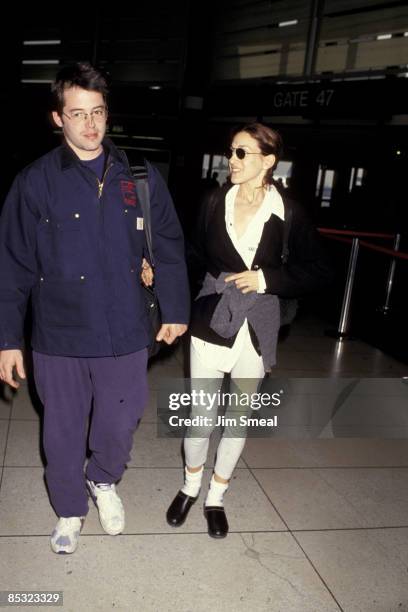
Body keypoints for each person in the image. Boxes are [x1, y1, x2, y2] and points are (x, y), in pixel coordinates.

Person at [0, 62, 190, 554]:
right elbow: (13, 265)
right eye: (78, 113)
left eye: (98, 112)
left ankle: (103, 480)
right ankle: (69, 510)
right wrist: (7, 339)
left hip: (125, 329)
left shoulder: (140, 175)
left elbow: (167, 243)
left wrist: (174, 307)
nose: (90, 124)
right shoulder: (34, 182)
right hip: (58, 335)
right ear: (57, 118)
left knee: (119, 423)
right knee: (61, 430)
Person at [165, 122, 332, 538]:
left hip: (258, 325)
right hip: (212, 317)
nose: (231, 160)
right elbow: (190, 256)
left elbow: (320, 270)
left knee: (237, 421)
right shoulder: (211, 203)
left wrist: (266, 279)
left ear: (268, 161)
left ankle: (216, 497)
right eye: (231, 152)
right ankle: (189, 486)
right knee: (201, 419)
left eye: (242, 153)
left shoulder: (289, 212)